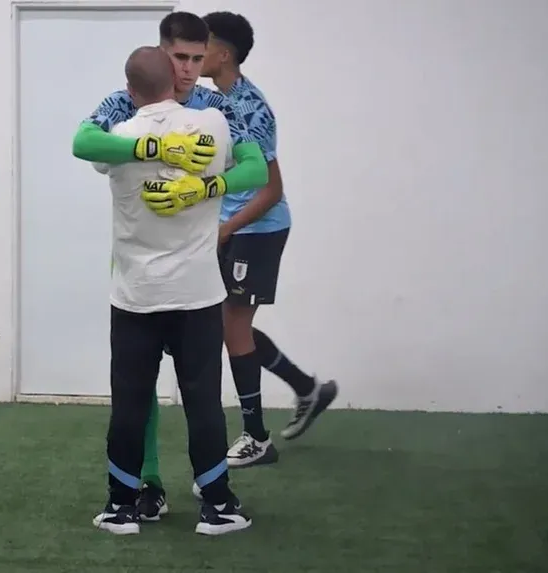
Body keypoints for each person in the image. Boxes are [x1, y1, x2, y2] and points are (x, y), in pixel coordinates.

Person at [72, 11, 267, 523]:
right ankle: (150, 486)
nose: (187, 69)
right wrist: (153, 146)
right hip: (144, 275)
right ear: (163, 55)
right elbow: (83, 141)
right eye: (179, 58)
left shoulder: (215, 108)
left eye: (197, 59)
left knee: (168, 393)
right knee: (147, 395)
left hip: (177, 274)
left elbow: (256, 169)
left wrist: (206, 186)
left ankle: (163, 494)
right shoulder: (126, 103)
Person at [199, 11, 339, 470]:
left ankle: (257, 437)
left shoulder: (251, 107)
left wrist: (226, 229)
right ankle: (306, 389)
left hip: (259, 228)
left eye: (203, 46)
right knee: (229, 326)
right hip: (232, 226)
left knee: (232, 327)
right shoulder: (213, 100)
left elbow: (271, 189)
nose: (195, 55)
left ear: (223, 54)